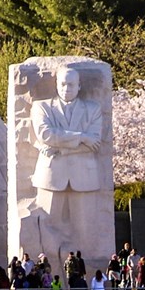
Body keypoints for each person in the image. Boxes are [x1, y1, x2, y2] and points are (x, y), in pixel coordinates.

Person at [30, 67, 103, 253]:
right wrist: (82, 137)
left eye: (71, 84)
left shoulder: (93, 109)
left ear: (79, 86)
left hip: (85, 176)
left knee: (86, 231)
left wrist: (58, 148)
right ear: (56, 85)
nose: (66, 88)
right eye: (62, 84)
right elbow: (45, 135)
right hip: (51, 176)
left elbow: (94, 142)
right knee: (46, 226)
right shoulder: (42, 107)